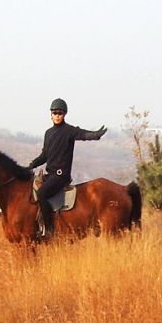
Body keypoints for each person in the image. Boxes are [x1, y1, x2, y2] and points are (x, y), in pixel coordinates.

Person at [27, 98, 107, 239]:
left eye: (60, 113)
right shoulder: (48, 133)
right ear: (51, 114)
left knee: (42, 194)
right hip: (50, 174)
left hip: (61, 176)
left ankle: (50, 231)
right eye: (55, 113)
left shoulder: (68, 130)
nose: (57, 115)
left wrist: (95, 135)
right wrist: (32, 164)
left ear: (64, 114)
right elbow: (45, 155)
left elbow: (83, 134)